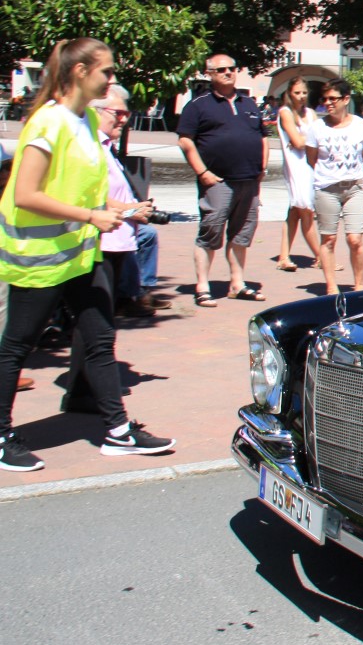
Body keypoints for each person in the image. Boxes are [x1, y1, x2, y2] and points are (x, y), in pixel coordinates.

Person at [0, 38, 174, 472]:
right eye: (106, 72)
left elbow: (78, 190)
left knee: (99, 341)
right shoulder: (48, 122)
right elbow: (25, 195)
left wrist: (121, 210)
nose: (112, 80)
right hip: (38, 257)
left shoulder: (80, 123)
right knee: (16, 346)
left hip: (79, 255)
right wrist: (90, 216)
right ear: (80, 73)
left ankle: (117, 432)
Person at [177, 53, 267, 306]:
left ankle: (237, 284)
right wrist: (203, 173)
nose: (228, 72)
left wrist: (262, 168)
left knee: (241, 235)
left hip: (249, 182)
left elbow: (262, 136)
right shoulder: (198, 106)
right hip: (218, 182)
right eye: (221, 70)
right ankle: (202, 286)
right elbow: (185, 140)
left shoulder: (249, 103)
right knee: (210, 232)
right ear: (210, 74)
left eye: (232, 68)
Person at [87, 86, 169, 317]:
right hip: (103, 240)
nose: (124, 120)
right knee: (97, 317)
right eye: (118, 114)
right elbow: (92, 194)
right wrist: (129, 210)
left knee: (102, 320)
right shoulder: (92, 147)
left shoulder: (106, 147)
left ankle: (135, 293)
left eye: (127, 114)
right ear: (96, 112)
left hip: (118, 239)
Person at [306, 79, 363, 295]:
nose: (328, 103)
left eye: (333, 98)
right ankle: (331, 286)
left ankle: (359, 285)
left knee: (355, 239)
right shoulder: (317, 128)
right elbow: (312, 159)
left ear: (346, 99)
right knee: (329, 238)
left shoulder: (360, 125)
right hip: (327, 188)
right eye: (324, 99)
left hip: (355, 187)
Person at [274, 78, 322, 271]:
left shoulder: (310, 113)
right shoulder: (285, 113)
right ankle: (321, 256)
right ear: (289, 94)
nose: (301, 97)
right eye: (296, 93)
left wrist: (304, 140)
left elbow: (319, 138)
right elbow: (298, 142)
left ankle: (284, 256)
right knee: (305, 210)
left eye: (303, 93)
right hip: (296, 166)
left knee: (295, 211)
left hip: (311, 165)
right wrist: (304, 140)